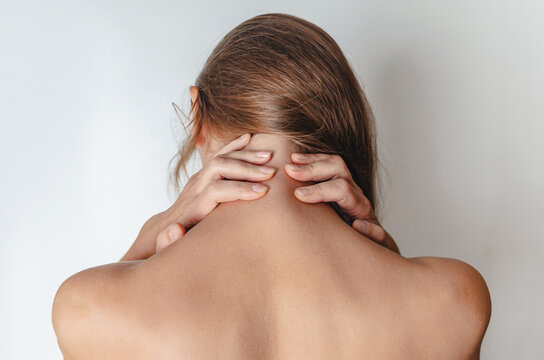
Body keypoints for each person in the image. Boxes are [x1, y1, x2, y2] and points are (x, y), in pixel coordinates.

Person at [52, 13, 491, 359]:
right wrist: (383, 253)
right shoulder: (454, 297)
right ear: (344, 127)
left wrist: (154, 232)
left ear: (197, 113)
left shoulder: (88, 307)